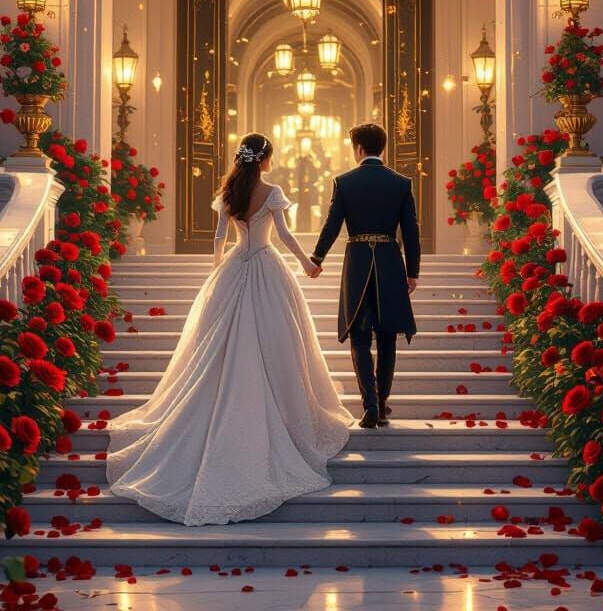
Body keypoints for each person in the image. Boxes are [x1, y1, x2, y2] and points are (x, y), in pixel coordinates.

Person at [106, 133, 352, 525]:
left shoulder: (230, 191)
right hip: (267, 265)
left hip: (236, 264)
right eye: (271, 155)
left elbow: (219, 234)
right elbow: (285, 235)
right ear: (265, 158)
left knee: (221, 341)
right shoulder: (271, 191)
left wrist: (218, 265)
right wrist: (307, 264)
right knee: (281, 342)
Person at [310, 122, 420, 429]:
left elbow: (332, 225)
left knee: (359, 336)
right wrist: (413, 271)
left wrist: (317, 258)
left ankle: (369, 406)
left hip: (358, 261)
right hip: (389, 261)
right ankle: (382, 407)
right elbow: (411, 231)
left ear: (358, 148)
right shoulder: (401, 183)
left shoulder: (345, 182)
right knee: (387, 336)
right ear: (381, 147)